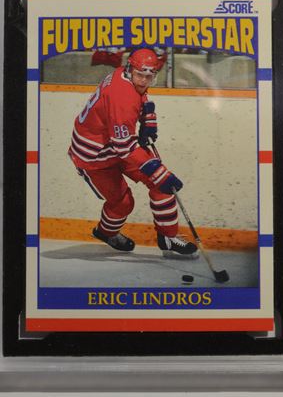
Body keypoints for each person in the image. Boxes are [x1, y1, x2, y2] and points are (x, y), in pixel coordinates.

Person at [68, 48, 197, 256]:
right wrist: (158, 172)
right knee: (124, 202)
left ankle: (168, 237)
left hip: (115, 142)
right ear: (130, 69)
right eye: (140, 75)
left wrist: (148, 117)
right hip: (93, 154)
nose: (144, 81)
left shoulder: (124, 73)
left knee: (162, 186)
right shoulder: (121, 96)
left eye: (149, 76)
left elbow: (141, 95)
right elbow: (124, 147)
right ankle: (106, 232)